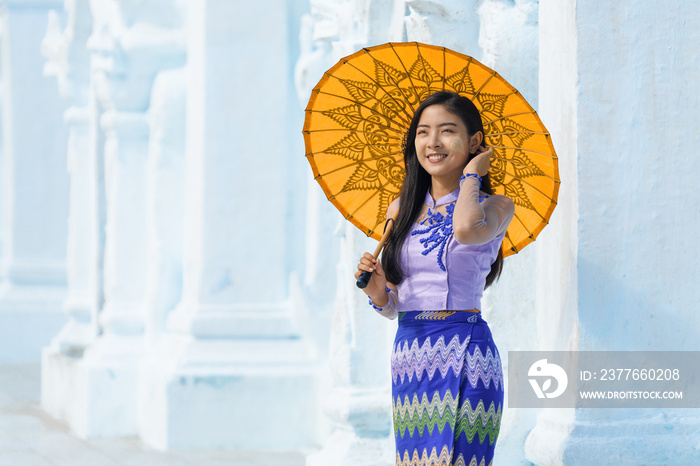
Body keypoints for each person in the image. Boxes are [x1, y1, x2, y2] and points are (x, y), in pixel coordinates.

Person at [354, 90, 514, 466]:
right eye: (423, 132)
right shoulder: (400, 209)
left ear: (474, 142)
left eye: (447, 131)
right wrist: (377, 291)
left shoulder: (497, 206)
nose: (433, 143)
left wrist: (473, 174)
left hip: (466, 351)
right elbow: (393, 303)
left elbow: (465, 230)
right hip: (411, 354)